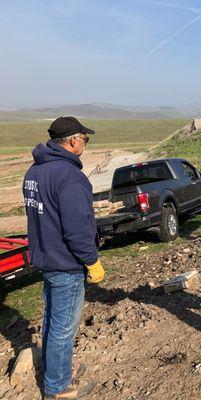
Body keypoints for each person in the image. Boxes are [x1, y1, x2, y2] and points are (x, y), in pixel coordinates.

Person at [23, 116, 105, 399]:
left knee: (52, 321)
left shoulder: (34, 172)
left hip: (46, 257)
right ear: (73, 140)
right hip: (67, 263)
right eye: (85, 138)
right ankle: (57, 387)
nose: (85, 143)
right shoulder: (70, 176)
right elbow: (77, 227)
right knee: (62, 327)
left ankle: (55, 371)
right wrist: (92, 261)